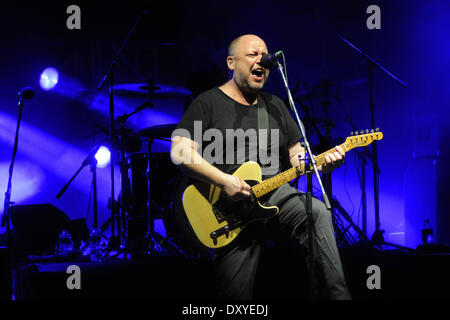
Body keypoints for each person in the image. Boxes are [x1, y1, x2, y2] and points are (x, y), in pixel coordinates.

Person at [170, 34, 351, 300]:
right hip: (228, 206)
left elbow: (296, 155)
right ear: (231, 62)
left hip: (275, 192)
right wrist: (224, 181)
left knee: (317, 212)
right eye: (253, 54)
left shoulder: (275, 105)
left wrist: (321, 164)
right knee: (234, 297)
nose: (262, 60)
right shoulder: (207, 103)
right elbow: (180, 152)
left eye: (264, 55)